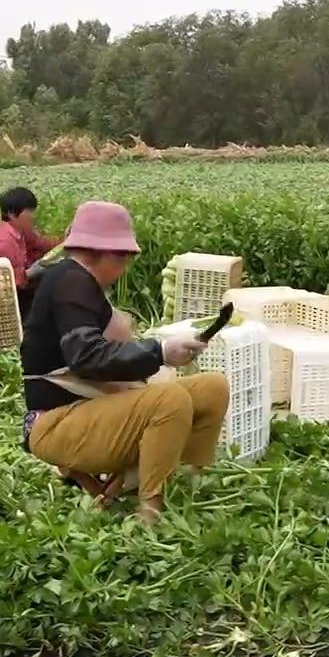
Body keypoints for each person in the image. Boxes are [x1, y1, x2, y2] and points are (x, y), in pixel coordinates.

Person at [20, 201, 229, 525]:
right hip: (57, 424)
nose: (125, 269)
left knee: (211, 388)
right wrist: (159, 352)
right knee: (169, 399)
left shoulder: (75, 282)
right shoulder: (70, 283)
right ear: (107, 254)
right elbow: (87, 356)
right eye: (125, 259)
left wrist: (152, 352)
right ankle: (150, 514)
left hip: (91, 411)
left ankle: (188, 479)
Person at [0, 186, 60, 314]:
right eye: (29, 212)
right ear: (12, 214)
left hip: (11, 287)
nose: (33, 216)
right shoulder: (3, 242)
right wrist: (33, 272)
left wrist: (66, 243)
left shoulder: (19, 229)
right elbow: (11, 283)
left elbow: (41, 243)